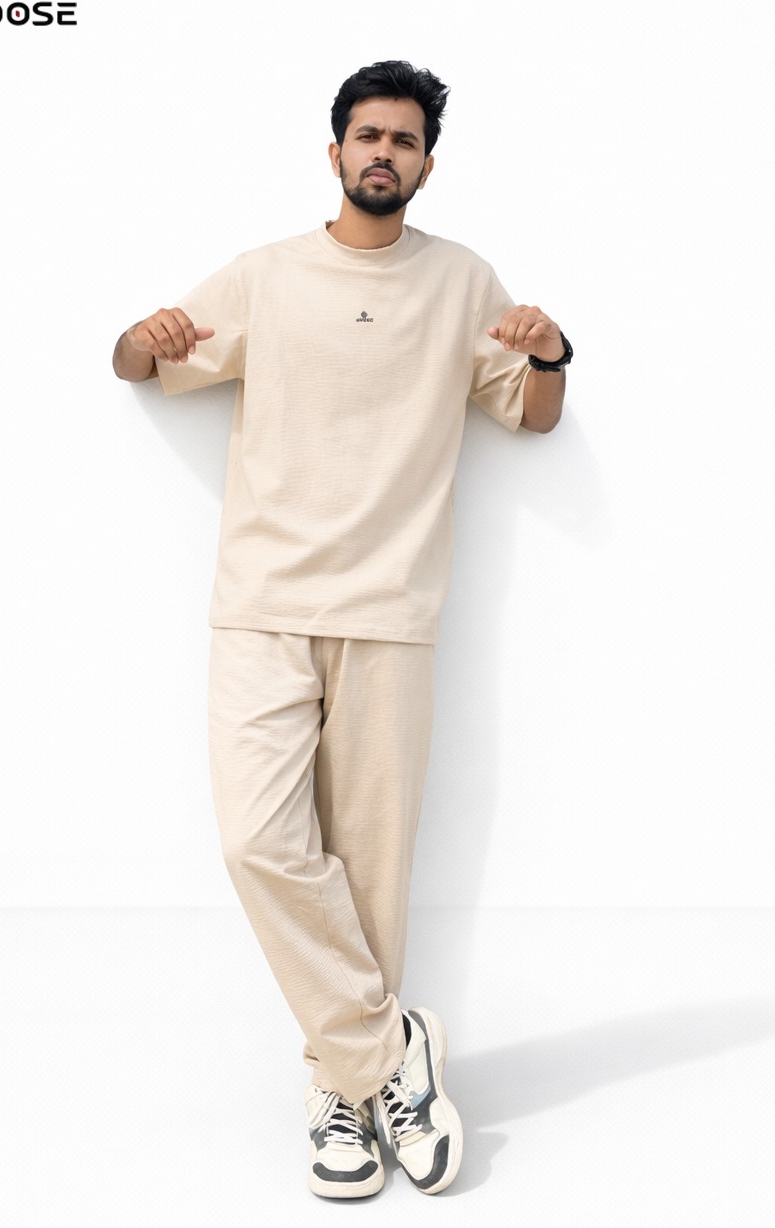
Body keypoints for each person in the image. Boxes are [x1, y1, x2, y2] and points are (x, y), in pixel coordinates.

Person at [112, 60, 569, 1199]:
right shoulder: (265, 275)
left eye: (403, 140)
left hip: (391, 612)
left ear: (425, 165)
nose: (383, 153)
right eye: (367, 135)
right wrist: (141, 333)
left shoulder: (462, 282)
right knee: (257, 843)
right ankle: (386, 1049)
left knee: (371, 875)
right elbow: (139, 365)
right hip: (262, 602)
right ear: (334, 153)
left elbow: (529, 414)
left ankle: (340, 1093)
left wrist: (552, 354)